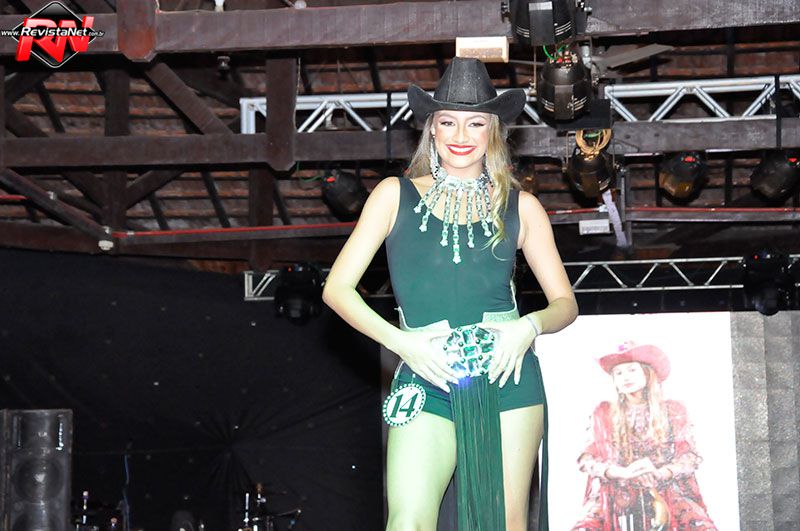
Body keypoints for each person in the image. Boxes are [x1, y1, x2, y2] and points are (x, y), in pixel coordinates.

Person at [322, 56, 577, 531]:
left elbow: (566, 304)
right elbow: (337, 289)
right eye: (448, 122)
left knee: (501, 523)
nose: (461, 134)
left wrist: (528, 327)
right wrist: (403, 344)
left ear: (493, 130)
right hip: (425, 376)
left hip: (507, 374)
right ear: (432, 129)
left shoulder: (523, 207)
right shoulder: (393, 195)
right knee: (407, 521)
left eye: (475, 122)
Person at [572, 342, 718, 531]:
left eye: (632, 370)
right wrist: (620, 472)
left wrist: (661, 473)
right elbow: (587, 460)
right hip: (615, 491)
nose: (625, 377)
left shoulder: (673, 410)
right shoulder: (603, 413)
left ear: (647, 373)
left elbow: (689, 457)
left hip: (667, 489)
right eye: (619, 373)